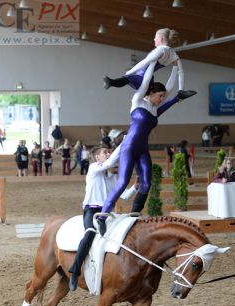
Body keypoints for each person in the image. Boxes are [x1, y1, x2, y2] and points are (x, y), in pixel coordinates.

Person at [98, 61, 196, 235]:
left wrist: (175, 67)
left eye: (163, 97)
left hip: (143, 149)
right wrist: (153, 63)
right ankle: (102, 217)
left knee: (146, 183)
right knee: (122, 183)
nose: (161, 99)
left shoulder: (155, 109)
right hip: (129, 148)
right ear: (150, 93)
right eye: (159, 96)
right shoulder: (137, 101)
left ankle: (134, 214)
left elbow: (172, 92)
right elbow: (146, 80)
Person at [68, 144, 138, 291]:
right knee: (89, 234)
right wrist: (124, 144)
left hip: (106, 213)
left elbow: (124, 196)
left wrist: (135, 187)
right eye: (105, 152)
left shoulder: (111, 177)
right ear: (97, 157)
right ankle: (75, 271)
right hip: (92, 211)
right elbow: (110, 162)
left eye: (109, 152)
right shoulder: (93, 168)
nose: (108, 153)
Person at [103, 28, 185, 94]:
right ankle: (111, 82)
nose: (154, 39)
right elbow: (181, 72)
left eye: (155, 37)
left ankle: (111, 82)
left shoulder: (161, 50)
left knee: (126, 79)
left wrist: (130, 72)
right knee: (127, 80)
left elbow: (144, 62)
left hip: (143, 77)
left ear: (161, 39)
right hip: (149, 80)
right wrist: (181, 89)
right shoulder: (174, 54)